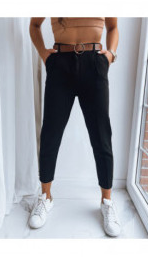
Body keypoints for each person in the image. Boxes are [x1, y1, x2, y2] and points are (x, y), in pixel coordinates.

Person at [29, 17, 121, 237]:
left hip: (95, 63)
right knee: (50, 133)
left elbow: (113, 27)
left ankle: (107, 201)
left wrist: (110, 54)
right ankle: (45, 197)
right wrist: (44, 54)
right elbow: (34, 24)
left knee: (101, 135)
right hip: (60, 64)